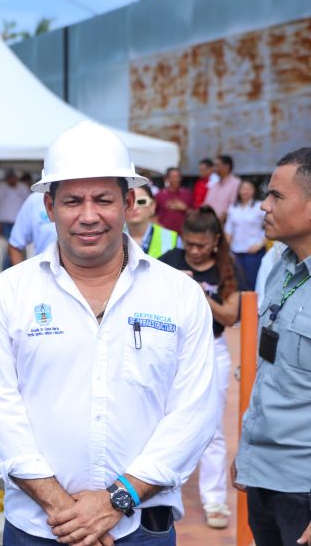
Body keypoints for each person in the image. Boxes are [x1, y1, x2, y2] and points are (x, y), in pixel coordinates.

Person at [0, 120, 216, 545]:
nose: (88, 216)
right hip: (41, 530)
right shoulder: (11, 292)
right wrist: (68, 512)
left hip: (142, 531)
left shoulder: (178, 294)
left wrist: (115, 501)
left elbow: (193, 414)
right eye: (72, 201)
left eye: (103, 199)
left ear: (128, 202)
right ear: (49, 208)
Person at [233, 147, 311, 546]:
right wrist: (247, 453)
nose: (263, 206)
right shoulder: (281, 265)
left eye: (277, 196)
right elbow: (272, 372)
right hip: (265, 476)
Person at [157, 207, 244, 529]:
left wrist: (197, 294)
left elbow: (231, 316)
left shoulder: (227, 268)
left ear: (216, 241)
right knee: (161, 418)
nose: (194, 251)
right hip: (170, 347)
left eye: (202, 245)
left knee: (213, 427)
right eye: (189, 244)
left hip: (212, 347)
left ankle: (214, 499)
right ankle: (160, 492)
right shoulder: (168, 260)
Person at [225, 179, 266, 287]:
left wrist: (260, 244)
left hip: (254, 251)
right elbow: (228, 230)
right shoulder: (233, 208)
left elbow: (270, 227)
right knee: (237, 283)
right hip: (236, 251)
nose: (245, 191)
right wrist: (227, 250)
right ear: (239, 191)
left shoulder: (259, 206)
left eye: (249, 188)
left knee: (253, 283)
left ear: (253, 191)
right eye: (243, 188)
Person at [126, 186, 179, 257]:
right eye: (128, 203)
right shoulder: (112, 238)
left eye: (141, 201)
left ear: (152, 206)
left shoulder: (172, 239)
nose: (134, 207)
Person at [8, 192, 57, 265]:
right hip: (43, 272)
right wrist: (23, 276)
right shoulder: (35, 201)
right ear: (48, 204)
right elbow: (15, 246)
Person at [154, 168, 192, 233]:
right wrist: (160, 228)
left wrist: (184, 208)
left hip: (183, 234)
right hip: (164, 234)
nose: (176, 180)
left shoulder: (187, 194)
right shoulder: (159, 195)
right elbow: (151, 215)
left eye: (178, 177)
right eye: (173, 177)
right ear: (166, 179)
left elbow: (195, 214)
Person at [204, 155, 241, 221]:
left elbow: (234, 204)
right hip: (210, 222)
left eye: (217, 165)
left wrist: (224, 216)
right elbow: (207, 203)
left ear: (227, 166)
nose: (214, 168)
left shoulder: (236, 183)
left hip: (227, 223)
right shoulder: (214, 184)